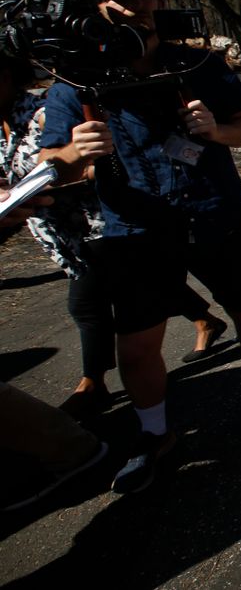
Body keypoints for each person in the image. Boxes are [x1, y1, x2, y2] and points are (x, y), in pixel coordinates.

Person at [38, 0, 241, 494]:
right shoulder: (76, 82)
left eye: (150, 2)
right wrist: (74, 153)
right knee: (137, 343)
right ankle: (154, 434)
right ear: (97, 9)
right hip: (135, 230)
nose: (141, 11)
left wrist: (217, 132)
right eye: (127, 3)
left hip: (215, 212)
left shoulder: (197, 64)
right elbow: (53, 162)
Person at [1, 54, 227, 420]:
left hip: (102, 222)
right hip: (62, 231)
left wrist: (67, 171)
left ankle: (93, 383)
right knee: (152, 288)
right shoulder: (4, 125)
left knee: (88, 305)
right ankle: (204, 320)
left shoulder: (45, 111)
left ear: (7, 76)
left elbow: (108, 157)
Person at [0, 187, 110, 512]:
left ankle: (88, 400)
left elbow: (95, 169)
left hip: (91, 228)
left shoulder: (55, 135)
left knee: (88, 307)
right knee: (92, 306)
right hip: (60, 236)